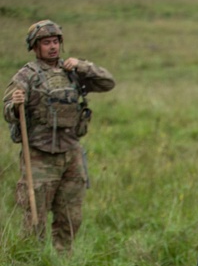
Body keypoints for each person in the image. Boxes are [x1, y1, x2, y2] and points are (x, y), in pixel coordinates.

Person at [3, 20, 115, 250]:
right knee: (35, 217)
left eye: (55, 42)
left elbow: (107, 82)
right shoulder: (27, 75)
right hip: (39, 154)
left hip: (70, 151)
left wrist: (83, 66)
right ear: (36, 47)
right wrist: (15, 105)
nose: (52, 47)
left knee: (71, 215)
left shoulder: (72, 72)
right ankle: (33, 261)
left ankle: (63, 263)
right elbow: (7, 111)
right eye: (46, 43)